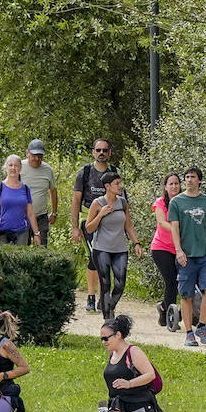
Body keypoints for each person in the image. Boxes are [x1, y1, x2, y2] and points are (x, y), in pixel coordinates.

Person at [168, 167, 206, 347]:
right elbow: (174, 228)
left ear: (199, 181)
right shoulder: (176, 202)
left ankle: (202, 325)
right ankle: (189, 332)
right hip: (186, 255)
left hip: (205, 253)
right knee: (186, 294)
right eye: (187, 177)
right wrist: (178, 250)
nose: (189, 180)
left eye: (193, 177)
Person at [85, 172, 143, 319]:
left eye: (120, 183)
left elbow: (128, 225)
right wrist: (100, 215)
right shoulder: (97, 203)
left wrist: (137, 243)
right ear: (107, 186)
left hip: (120, 249)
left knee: (120, 283)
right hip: (101, 249)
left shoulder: (123, 203)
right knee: (105, 283)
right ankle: (108, 319)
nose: (120, 186)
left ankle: (110, 307)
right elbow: (89, 228)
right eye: (117, 183)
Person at [73, 139, 122, 313]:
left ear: (109, 152)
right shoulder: (85, 172)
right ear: (93, 152)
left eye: (105, 150)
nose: (101, 153)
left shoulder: (115, 172)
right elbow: (76, 200)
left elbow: (122, 200)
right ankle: (91, 296)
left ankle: (104, 298)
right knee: (95, 258)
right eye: (98, 150)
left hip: (110, 223)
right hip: (89, 220)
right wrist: (75, 227)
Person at [150, 174, 182, 328]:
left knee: (183, 281)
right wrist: (178, 231)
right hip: (161, 247)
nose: (174, 186)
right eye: (171, 184)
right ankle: (170, 315)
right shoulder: (160, 202)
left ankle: (164, 307)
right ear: (165, 186)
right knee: (171, 280)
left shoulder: (184, 203)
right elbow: (162, 222)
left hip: (180, 248)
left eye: (176, 183)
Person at [0, 155, 39, 245]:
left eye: (16, 165)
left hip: (22, 232)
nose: (13, 168)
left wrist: (36, 234)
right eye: (10, 165)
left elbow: (30, 213)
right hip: (2, 232)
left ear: (20, 168)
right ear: (6, 167)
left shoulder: (25, 189)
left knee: (21, 258)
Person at [21, 140, 58, 245]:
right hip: (22, 216)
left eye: (40, 155)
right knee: (22, 248)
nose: (37, 158)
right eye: (34, 155)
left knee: (42, 247)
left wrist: (54, 212)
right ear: (27, 153)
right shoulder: (19, 167)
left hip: (41, 216)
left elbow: (53, 191)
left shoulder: (47, 169)